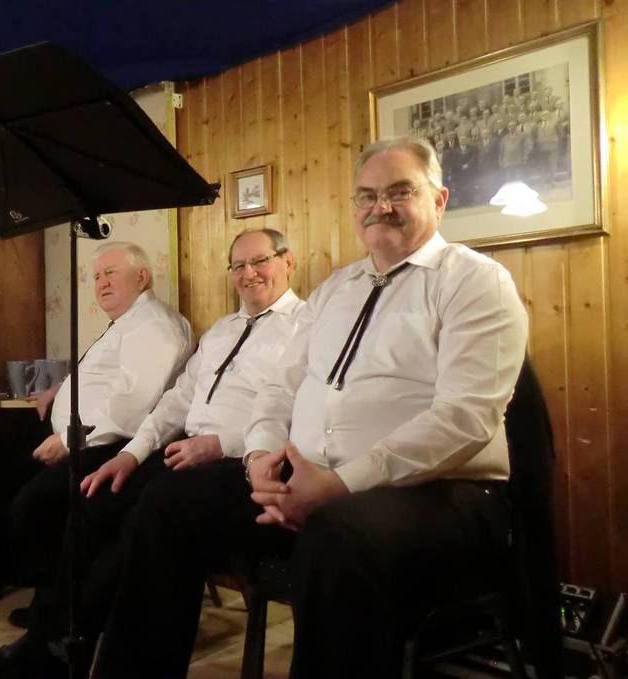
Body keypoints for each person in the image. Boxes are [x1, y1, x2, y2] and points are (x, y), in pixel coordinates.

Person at [91, 135, 528, 678]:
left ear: (438, 200)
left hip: (441, 492)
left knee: (337, 535)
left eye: (400, 192)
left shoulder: (475, 281)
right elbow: (280, 388)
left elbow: (465, 418)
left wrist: (338, 485)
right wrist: (258, 461)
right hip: (313, 479)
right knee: (170, 499)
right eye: (366, 195)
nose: (381, 207)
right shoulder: (336, 289)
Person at [0, 242, 192, 674]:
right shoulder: (126, 324)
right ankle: (47, 599)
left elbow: (133, 404)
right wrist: (58, 391)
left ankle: (57, 614)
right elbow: (105, 378)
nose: (101, 284)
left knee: (31, 504)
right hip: (82, 438)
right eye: (96, 277)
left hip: (111, 445)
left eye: (111, 273)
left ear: (142, 277)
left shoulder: (154, 326)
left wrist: (70, 438)